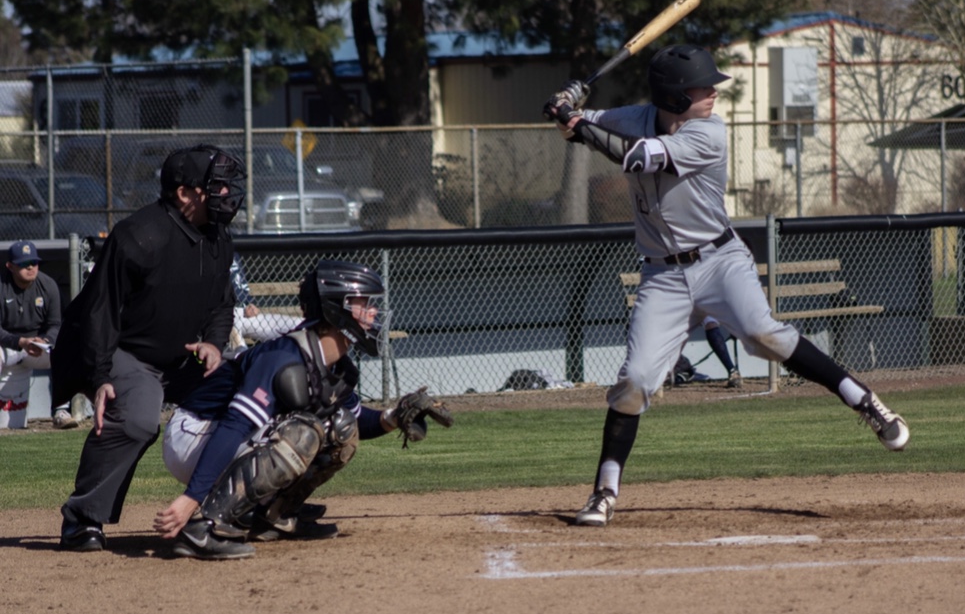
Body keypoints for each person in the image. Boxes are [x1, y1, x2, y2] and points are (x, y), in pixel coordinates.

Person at [543, 43, 910, 527]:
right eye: (702, 87)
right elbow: (582, 126)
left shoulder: (708, 133)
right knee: (633, 382)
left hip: (720, 260)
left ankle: (864, 400)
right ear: (673, 96)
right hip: (662, 274)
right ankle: (604, 492)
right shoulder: (633, 116)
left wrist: (578, 121)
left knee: (763, 334)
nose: (712, 93)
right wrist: (565, 106)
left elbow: (632, 156)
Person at [153, 259, 452, 560]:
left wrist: (393, 417)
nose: (374, 313)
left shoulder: (340, 369)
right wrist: (191, 497)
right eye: (364, 304)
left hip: (224, 434)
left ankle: (273, 516)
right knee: (302, 433)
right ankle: (203, 528)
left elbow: (358, 422)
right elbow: (234, 425)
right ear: (336, 308)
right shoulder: (284, 356)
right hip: (194, 431)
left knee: (342, 426)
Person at [51, 144, 246, 552]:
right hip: (127, 351)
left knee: (250, 395)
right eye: (217, 186)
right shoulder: (140, 235)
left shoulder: (217, 237)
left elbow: (222, 304)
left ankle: (240, 508)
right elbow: (99, 312)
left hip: (185, 356)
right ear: (184, 193)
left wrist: (212, 343)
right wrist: (100, 377)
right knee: (138, 418)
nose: (227, 194)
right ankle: (82, 519)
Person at [0, 241, 63, 429]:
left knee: (66, 355)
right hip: (7, 346)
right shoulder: (2, 285)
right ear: (10, 266)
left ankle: (61, 410)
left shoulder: (48, 285)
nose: (30, 267)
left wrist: (45, 340)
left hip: (35, 348)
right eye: (23, 263)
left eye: (34, 263)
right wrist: (20, 341)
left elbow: (55, 324)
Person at [226, 251, 303, 356]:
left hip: (244, 313)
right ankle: (244, 361)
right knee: (240, 350)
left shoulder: (232, 252)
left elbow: (241, 285)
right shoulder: (207, 254)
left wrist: (249, 303)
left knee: (299, 324)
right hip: (225, 315)